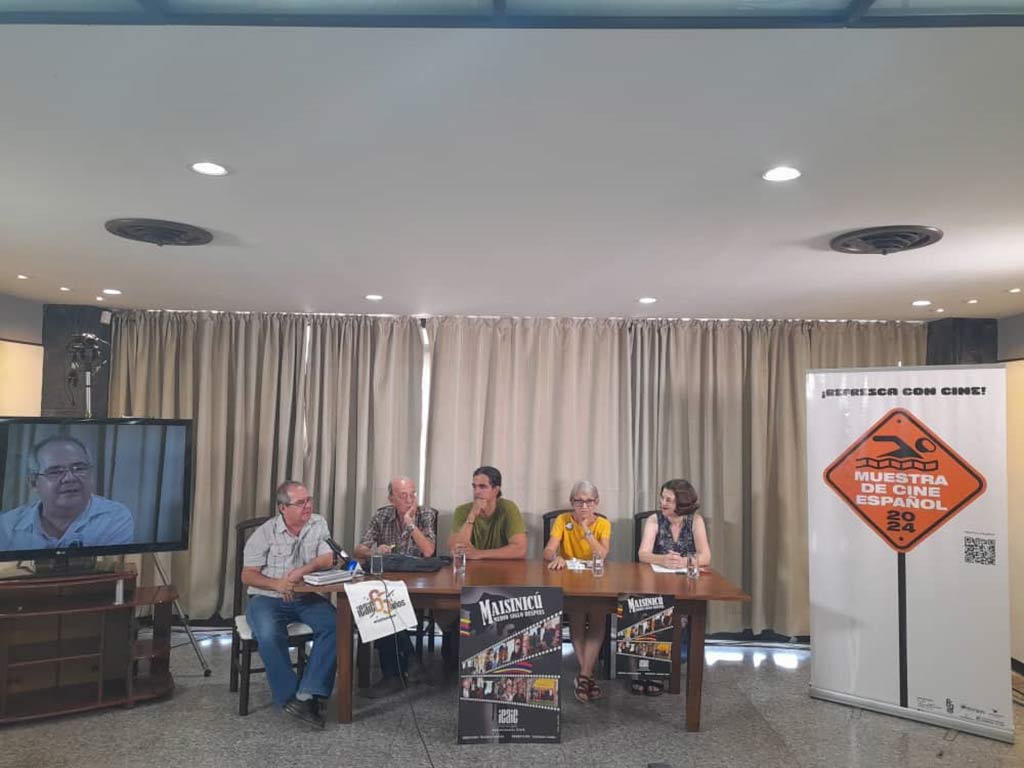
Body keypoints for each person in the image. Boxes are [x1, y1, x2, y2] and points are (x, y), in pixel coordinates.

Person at [242, 481, 337, 728]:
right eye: (300, 503)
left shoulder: (317, 523)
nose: (308, 506)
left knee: (337, 624)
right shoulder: (265, 533)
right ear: (283, 508)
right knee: (269, 634)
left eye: (309, 500)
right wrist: (277, 584)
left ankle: (308, 693)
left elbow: (327, 558)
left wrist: (302, 571)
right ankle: (290, 697)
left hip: (304, 597)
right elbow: (247, 575)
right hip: (266, 598)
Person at [352, 476, 438, 699]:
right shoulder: (382, 515)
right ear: (391, 498)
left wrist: (410, 523)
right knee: (378, 601)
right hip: (389, 580)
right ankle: (408, 661)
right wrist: (375, 551)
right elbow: (359, 549)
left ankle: (394, 673)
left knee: (383, 605)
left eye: (413, 494)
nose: (410, 500)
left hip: (418, 580)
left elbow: (429, 551)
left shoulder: (425, 514)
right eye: (403, 496)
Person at [542, 480, 612, 703]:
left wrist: (585, 529)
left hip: (596, 579)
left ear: (596, 502)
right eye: (578, 501)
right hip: (571, 579)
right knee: (578, 617)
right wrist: (556, 557)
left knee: (598, 616)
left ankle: (584, 674)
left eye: (589, 501)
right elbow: (548, 551)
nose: (583, 506)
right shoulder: (563, 520)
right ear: (571, 502)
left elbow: (602, 555)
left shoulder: (603, 524)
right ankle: (586, 675)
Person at [0, 436, 134, 550]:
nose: (70, 478)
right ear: (34, 483)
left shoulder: (114, 517)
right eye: (55, 471)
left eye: (79, 468)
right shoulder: (7, 526)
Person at [447, 466, 527, 560]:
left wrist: (478, 554)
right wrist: (472, 516)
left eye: (482, 487)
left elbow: (520, 549)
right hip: (471, 567)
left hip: (502, 566)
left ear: (496, 490)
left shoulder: (508, 508)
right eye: (474, 486)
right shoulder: (462, 510)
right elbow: (456, 549)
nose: (476, 492)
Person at [637, 479, 711, 569]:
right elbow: (643, 554)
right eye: (662, 498)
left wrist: (683, 562)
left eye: (668, 500)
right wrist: (662, 560)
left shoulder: (696, 521)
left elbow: (705, 557)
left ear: (681, 502)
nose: (663, 503)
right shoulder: (654, 520)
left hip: (687, 575)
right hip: (658, 575)